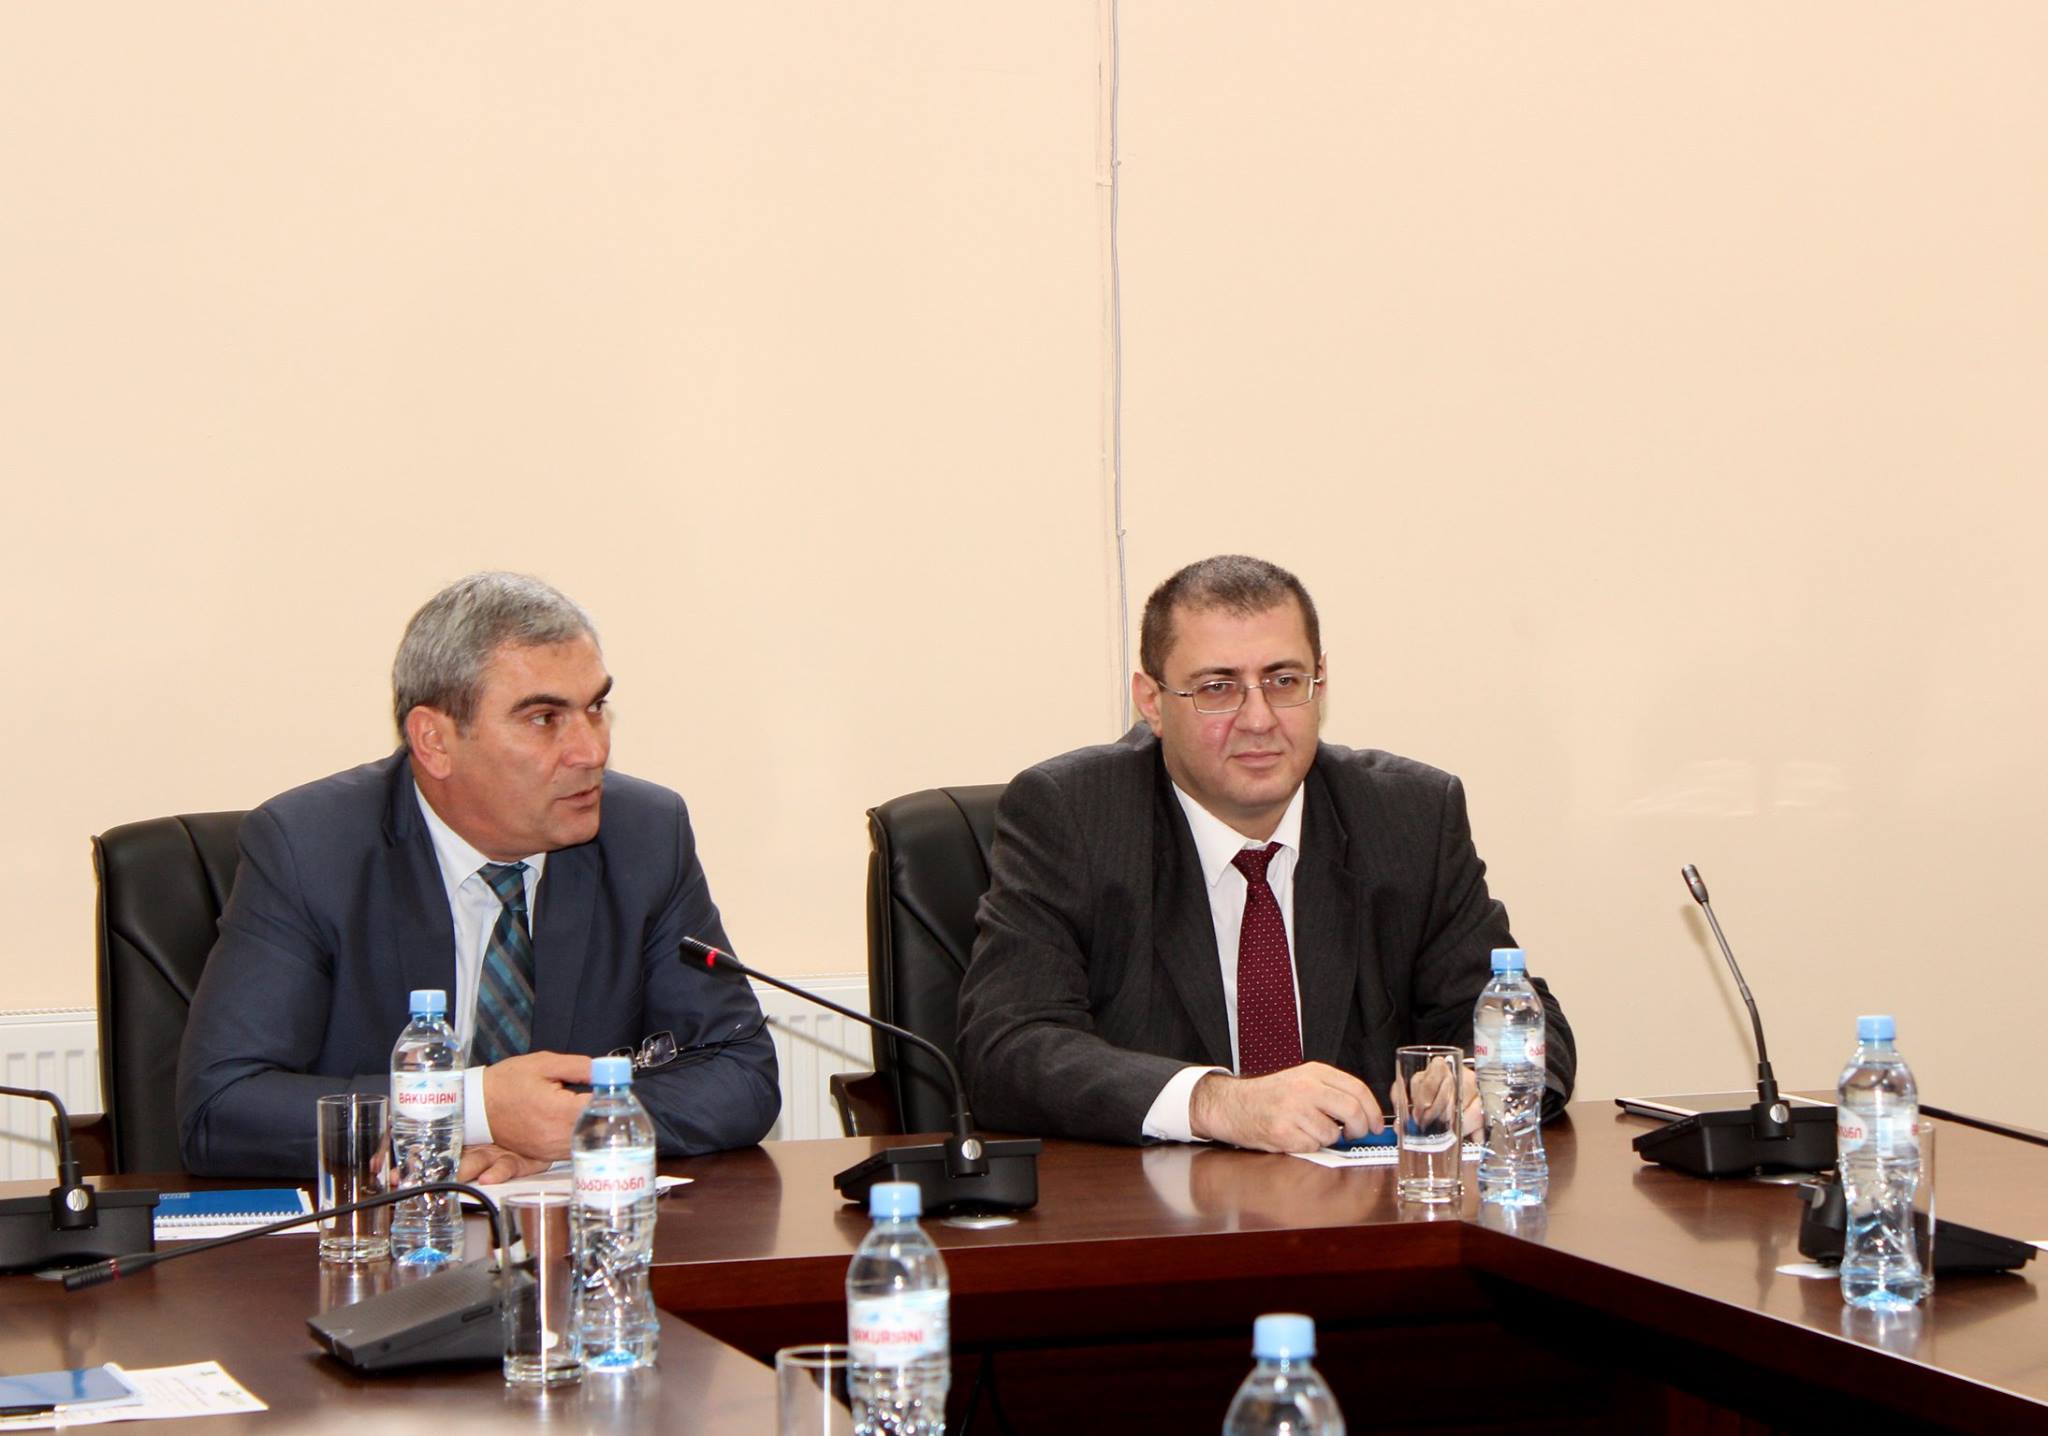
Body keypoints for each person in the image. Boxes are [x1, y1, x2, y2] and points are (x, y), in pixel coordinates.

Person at [956, 555, 1573, 1153]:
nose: (1258, 719)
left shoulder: (1409, 816)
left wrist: (1478, 1078)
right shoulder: (1074, 816)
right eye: (1217, 687)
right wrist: (1219, 1102)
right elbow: (1008, 1046)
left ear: (1319, 683)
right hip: (1155, 1210)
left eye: (1283, 681)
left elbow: (1516, 1013)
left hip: (1364, 1206)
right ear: (1151, 702)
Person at [176, 573, 779, 1179]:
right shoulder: (310, 849)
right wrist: (473, 1110)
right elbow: (222, 1107)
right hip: (387, 1226)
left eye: (595, 708)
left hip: (575, 1222)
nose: (592, 751)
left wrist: (571, 1127)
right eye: (544, 718)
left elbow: (741, 1071)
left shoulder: (644, 835)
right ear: (434, 741)